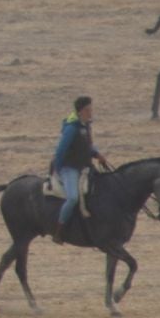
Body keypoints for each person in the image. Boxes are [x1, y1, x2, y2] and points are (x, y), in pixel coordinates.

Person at [48, 96, 112, 244]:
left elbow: (88, 146)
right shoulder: (72, 128)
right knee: (73, 198)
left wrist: (97, 155)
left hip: (84, 166)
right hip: (69, 168)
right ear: (81, 111)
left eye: (91, 109)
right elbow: (61, 150)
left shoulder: (85, 126)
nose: (91, 113)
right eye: (88, 110)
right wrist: (58, 169)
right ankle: (59, 230)